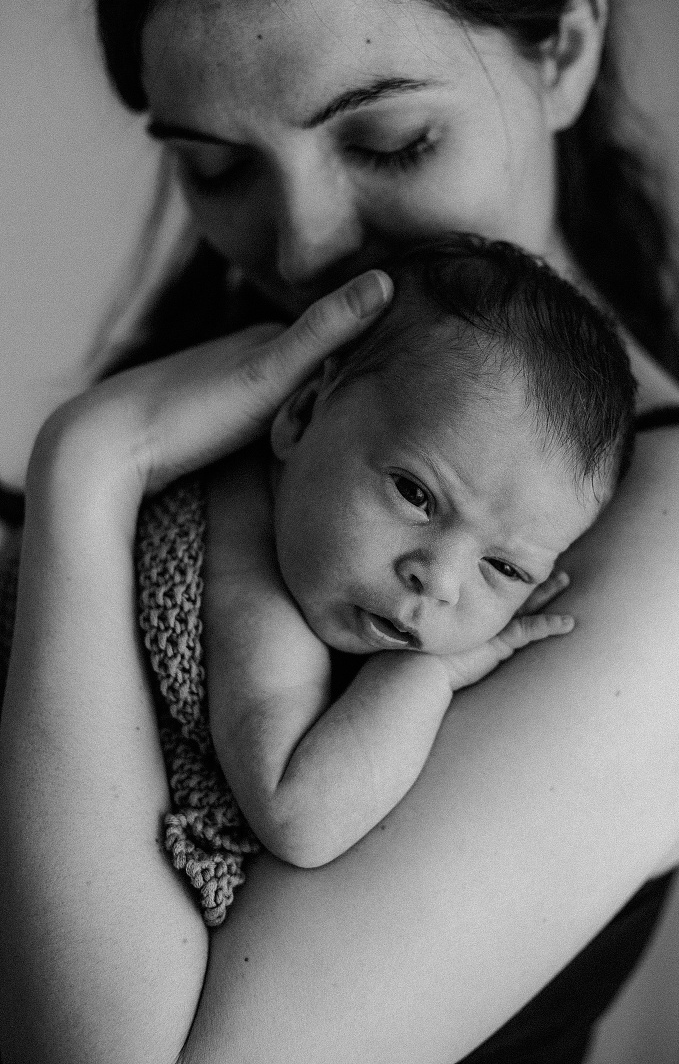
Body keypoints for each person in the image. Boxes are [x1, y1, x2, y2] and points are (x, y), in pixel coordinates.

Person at [0, 0, 679, 1063]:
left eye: (395, 141)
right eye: (215, 165)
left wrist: (92, 463)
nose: (304, 245)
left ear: (561, 50)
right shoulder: (240, 405)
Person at [200, 236, 636, 874]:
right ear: (299, 415)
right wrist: (426, 678)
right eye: (415, 494)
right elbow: (298, 817)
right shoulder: (250, 578)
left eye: (505, 569)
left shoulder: (308, 548)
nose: (439, 582)